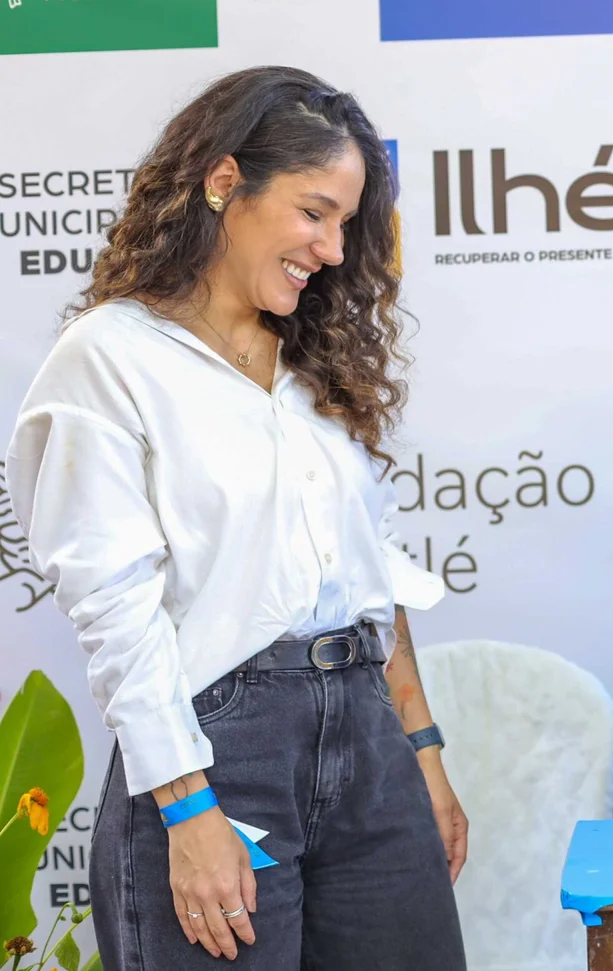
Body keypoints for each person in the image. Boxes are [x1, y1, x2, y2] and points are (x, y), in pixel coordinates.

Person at [6, 67, 469, 969]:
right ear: (224, 182)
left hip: (369, 737)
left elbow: (370, 580)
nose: (333, 249)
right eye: (314, 212)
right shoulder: (109, 358)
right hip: (218, 749)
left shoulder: (317, 361)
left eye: (346, 223)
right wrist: (187, 810)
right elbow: (117, 613)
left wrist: (423, 753)